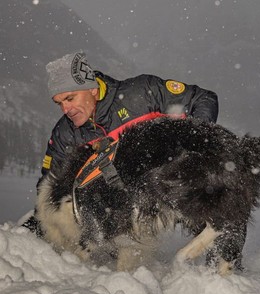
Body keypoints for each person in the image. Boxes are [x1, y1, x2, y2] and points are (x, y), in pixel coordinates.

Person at [23, 51, 219, 232]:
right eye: (59, 103)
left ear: (91, 89)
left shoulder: (142, 93)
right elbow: (49, 184)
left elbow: (203, 99)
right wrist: (35, 226)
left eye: (70, 98)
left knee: (216, 216)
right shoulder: (65, 133)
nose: (66, 109)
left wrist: (193, 149)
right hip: (125, 213)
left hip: (175, 184)